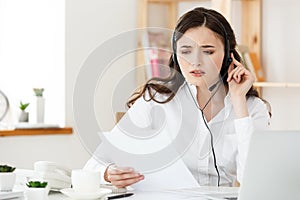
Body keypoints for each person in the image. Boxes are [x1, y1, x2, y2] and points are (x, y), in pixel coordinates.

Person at [84, 7, 270, 188]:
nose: (195, 61)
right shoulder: (158, 99)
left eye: (208, 51)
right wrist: (109, 173)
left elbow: (255, 182)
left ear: (228, 55)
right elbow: (93, 166)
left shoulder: (252, 108)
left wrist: (239, 104)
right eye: (186, 51)